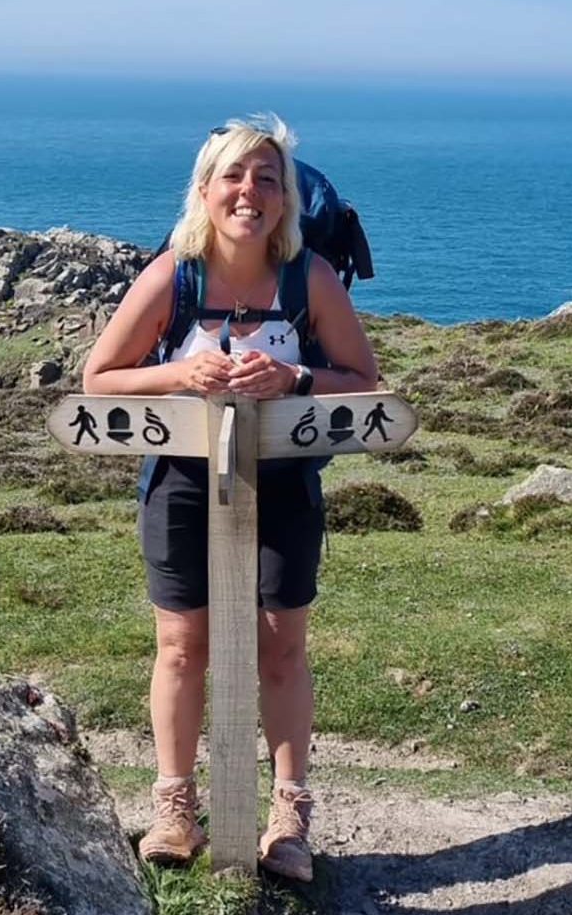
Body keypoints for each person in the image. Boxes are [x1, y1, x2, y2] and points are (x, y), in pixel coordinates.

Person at [83, 115, 377, 882]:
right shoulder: (175, 276)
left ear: (284, 201)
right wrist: (183, 373)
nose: (251, 192)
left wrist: (294, 379)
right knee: (183, 646)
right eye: (235, 178)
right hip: (179, 481)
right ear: (206, 191)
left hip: (284, 483)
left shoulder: (306, 277)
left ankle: (288, 818)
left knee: (281, 647)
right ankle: (175, 810)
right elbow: (100, 378)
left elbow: (363, 381)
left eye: (268, 179)